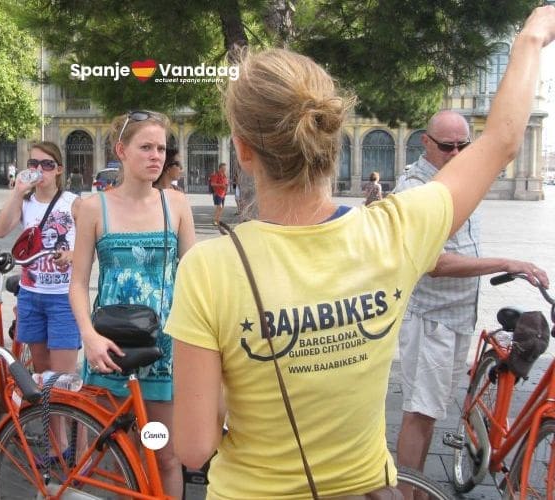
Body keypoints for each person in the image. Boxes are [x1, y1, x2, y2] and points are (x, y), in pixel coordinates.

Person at [165, 7, 555, 497]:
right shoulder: (393, 232)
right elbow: (500, 141)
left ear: (243, 150)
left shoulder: (209, 269)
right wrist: (531, 38)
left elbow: (195, 447)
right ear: (330, 138)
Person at [393, 110, 550, 490]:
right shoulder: (416, 191)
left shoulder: (460, 181)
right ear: (426, 143)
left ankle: (418, 487)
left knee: (432, 413)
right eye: (447, 145)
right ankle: (406, 491)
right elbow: (434, 263)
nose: (457, 152)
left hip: (458, 317)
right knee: (419, 413)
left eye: (464, 144)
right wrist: (505, 262)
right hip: (430, 320)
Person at [69, 110, 196, 498]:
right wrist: (88, 337)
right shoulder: (94, 208)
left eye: (161, 148)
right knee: (113, 455)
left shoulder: (176, 205)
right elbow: (77, 285)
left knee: (164, 454)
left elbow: (193, 276)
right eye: (146, 147)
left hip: (163, 352)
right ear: (121, 151)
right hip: (109, 350)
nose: (156, 156)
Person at [0, 142, 82, 376]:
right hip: (31, 295)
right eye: (33, 164)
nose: (40, 170)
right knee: (42, 372)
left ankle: (61, 414)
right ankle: (46, 414)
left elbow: (92, 245)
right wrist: (17, 192)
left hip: (63, 297)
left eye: (47, 164)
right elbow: (0, 230)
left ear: (59, 170)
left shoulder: (72, 203)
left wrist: (72, 254)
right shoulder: (25, 203)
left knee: (62, 378)